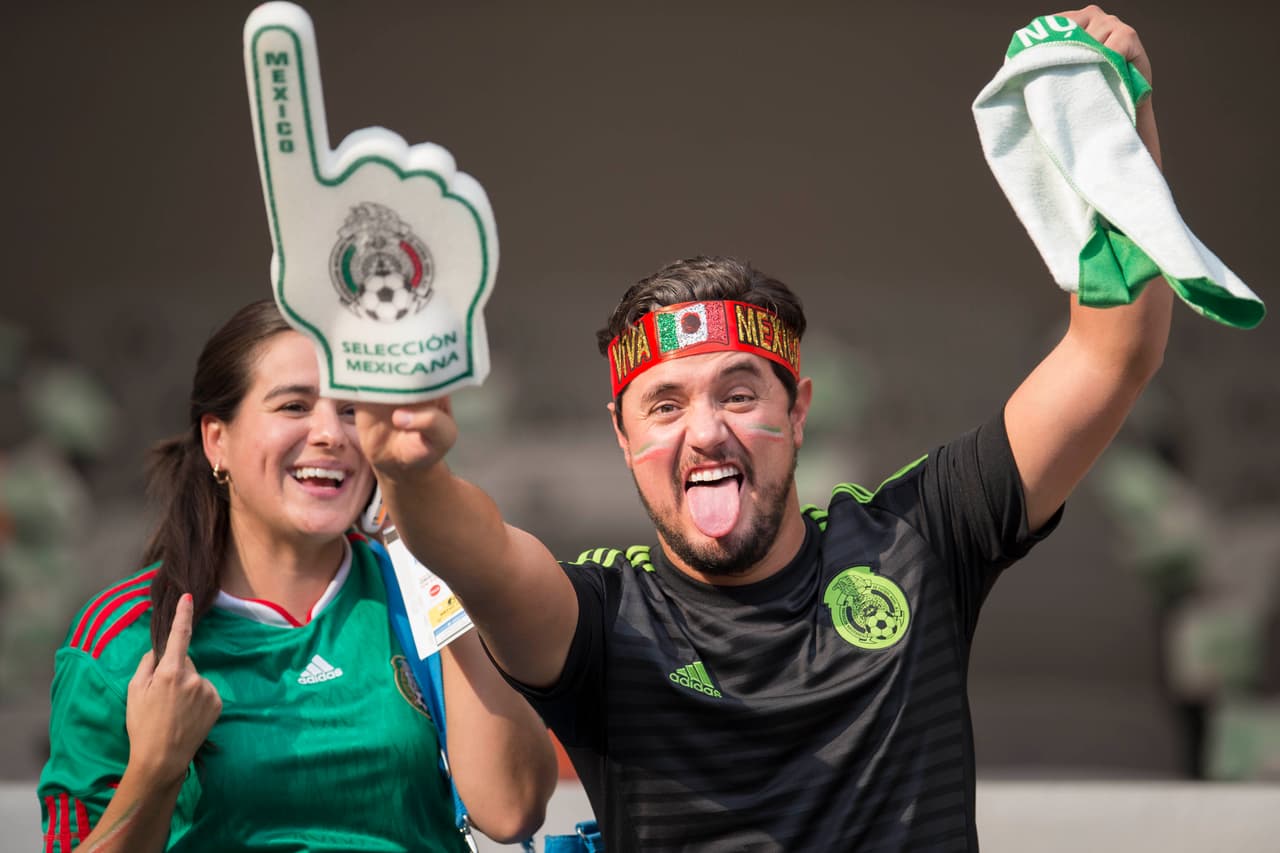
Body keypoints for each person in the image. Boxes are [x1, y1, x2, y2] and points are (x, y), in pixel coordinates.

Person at [354, 7, 1173, 852]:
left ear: (799, 410)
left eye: (738, 394)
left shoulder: (917, 541)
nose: (705, 431)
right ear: (622, 436)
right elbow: (480, 556)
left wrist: (1120, 129)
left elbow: (1113, 354)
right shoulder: (604, 620)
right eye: (665, 405)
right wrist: (411, 473)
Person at [37, 300, 557, 852]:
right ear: (217, 440)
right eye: (294, 406)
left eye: (353, 409)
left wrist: (427, 555)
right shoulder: (123, 635)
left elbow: (513, 810)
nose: (331, 434)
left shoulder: (418, 592)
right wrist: (155, 768)